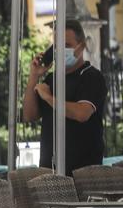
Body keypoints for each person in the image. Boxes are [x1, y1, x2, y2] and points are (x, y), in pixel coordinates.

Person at [22, 19, 107, 175]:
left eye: (67, 45)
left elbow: (82, 113)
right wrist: (34, 76)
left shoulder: (91, 77)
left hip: (84, 172)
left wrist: (49, 98)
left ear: (81, 47)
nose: (61, 51)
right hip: (50, 170)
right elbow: (29, 115)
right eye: (57, 46)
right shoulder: (51, 80)